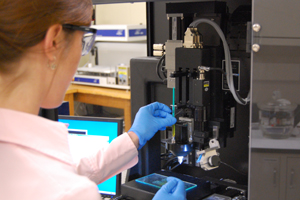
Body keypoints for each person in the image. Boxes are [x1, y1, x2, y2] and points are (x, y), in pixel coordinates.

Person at [0, 0, 186, 199]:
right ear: (54, 42)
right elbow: (61, 184)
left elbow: (65, 174)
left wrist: (134, 137)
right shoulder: (67, 192)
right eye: (83, 42)